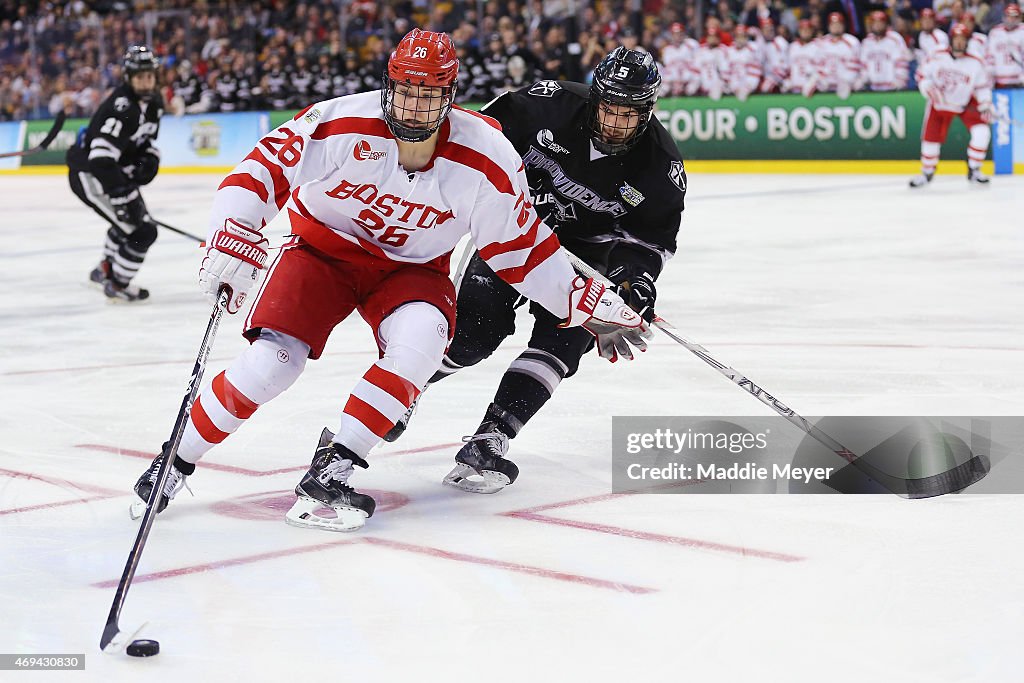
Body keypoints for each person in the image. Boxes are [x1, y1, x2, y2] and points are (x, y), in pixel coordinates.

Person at [130, 29, 649, 532]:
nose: (414, 110)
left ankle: (332, 471)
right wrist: (233, 227)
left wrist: (587, 303)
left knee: (422, 342)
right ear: (389, 85)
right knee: (271, 365)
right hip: (321, 252)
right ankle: (174, 461)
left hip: (413, 270)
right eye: (406, 93)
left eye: (430, 98)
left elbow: (520, 250)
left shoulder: (487, 154)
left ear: (450, 96)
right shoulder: (341, 121)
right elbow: (264, 167)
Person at [384, 48, 686, 495]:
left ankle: (491, 439)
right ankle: (400, 393)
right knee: (474, 333)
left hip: (588, 258)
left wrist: (633, 283)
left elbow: (648, 242)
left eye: (630, 114)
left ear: (648, 112)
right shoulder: (546, 103)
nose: (616, 123)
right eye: (609, 109)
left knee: (561, 345)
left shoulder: (661, 165)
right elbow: (478, 141)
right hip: (515, 233)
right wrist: (493, 198)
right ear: (594, 97)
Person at [67, 45, 163, 302]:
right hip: (92, 176)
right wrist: (122, 195)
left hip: (112, 175)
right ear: (129, 78)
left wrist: (149, 160)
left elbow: (145, 143)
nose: (146, 82)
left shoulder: (154, 103)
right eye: (140, 76)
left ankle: (104, 270)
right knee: (143, 232)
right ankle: (118, 284)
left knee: (129, 224)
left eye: (150, 76)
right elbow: (100, 160)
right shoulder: (122, 108)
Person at [910, 23, 993, 188]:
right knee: (930, 141)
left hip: (964, 102)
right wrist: (928, 88)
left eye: (963, 40)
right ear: (950, 40)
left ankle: (974, 169)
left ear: (968, 41)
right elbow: (921, 75)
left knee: (982, 132)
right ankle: (927, 172)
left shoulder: (976, 61)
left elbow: (982, 86)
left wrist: (985, 103)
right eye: (957, 39)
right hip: (939, 104)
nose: (959, 43)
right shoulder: (937, 54)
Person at [859, 11, 911, 91]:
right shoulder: (867, 42)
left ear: (886, 24)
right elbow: (863, 64)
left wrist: (900, 80)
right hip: (872, 88)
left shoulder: (895, 39)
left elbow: (902, 62)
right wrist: (863, 79)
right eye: (875, 23)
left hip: (892, 88)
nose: (878, 26)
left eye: (880, 23)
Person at [986, 3, 1024, 87]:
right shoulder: (995, 32)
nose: (1011, 19)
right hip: (999, 80)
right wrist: (990, 74)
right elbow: (990, 55)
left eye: (1014, 16)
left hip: (1019, 80)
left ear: (1019, 18)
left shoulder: (1022, 31)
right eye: (1009, 16)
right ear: (1004, 16)